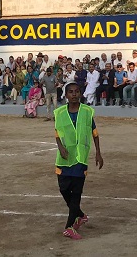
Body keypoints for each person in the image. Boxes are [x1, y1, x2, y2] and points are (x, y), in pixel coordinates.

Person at [54, 82, 103, 240]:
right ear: (66, 95)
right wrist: (60, 146)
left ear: (80, 93)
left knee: (76, 194)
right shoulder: (60, 113)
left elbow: (95, 133)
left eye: (76, 91)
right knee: (63, 189)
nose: (74, 94)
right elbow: (57, 132)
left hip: (80, 159)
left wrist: (98, 153)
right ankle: (80, 215)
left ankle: (69, 227)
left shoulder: (87, 111)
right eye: (70, 92)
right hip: (64, 159)